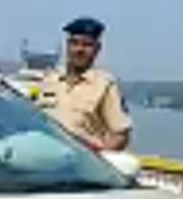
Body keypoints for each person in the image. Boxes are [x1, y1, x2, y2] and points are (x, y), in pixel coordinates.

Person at [37, 17, 132, 151]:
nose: (79, 50)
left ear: (97, 49)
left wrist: (97, 162)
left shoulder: (104, 85)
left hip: (78, 166)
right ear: (67, 46)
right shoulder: (49, 79)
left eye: (87, 45)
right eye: (74, 43)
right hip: (43, 159)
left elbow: (120, 134)